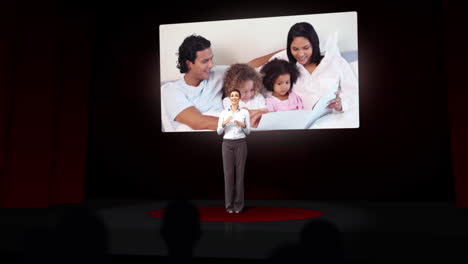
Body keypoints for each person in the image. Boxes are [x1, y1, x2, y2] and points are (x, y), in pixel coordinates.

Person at [249, 22, 358, 116]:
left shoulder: (335, 61)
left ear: (314, 45)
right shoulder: (285, 60)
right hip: (298, 119)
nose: (301, 54)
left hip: (331, 116)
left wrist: (342, 104)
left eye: (306, 48)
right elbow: (251, 66)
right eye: (295, 49)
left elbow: (353, 92)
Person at [162, 34, 228, 131]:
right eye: (205, 61)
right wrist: (239, 123)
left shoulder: (217, 74)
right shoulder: (171, 90)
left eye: (211, 59)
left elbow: (248, 67)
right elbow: (198, 122)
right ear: (189, 64)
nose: (211, 65)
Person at [217, 89, 250, 214]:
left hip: (241, 143)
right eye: (232, 96)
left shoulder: (245, 113)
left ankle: (239, 206)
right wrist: (225, 123)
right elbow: (219, 132)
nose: (234, 97)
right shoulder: (224, 113)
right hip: (227, 144)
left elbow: (248, 132)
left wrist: (243, 125)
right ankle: (229, 206)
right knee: (228, 176)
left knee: (240, 176)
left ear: (240, 98)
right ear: (230, 98)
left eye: (236, 95)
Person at [222, 63, 268, 128]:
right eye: (244, 92)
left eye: (252, 90)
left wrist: (248, 112)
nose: (249, 95)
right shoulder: (228, 101)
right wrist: (257, 112)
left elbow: (265, 113)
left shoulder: (258, 97)